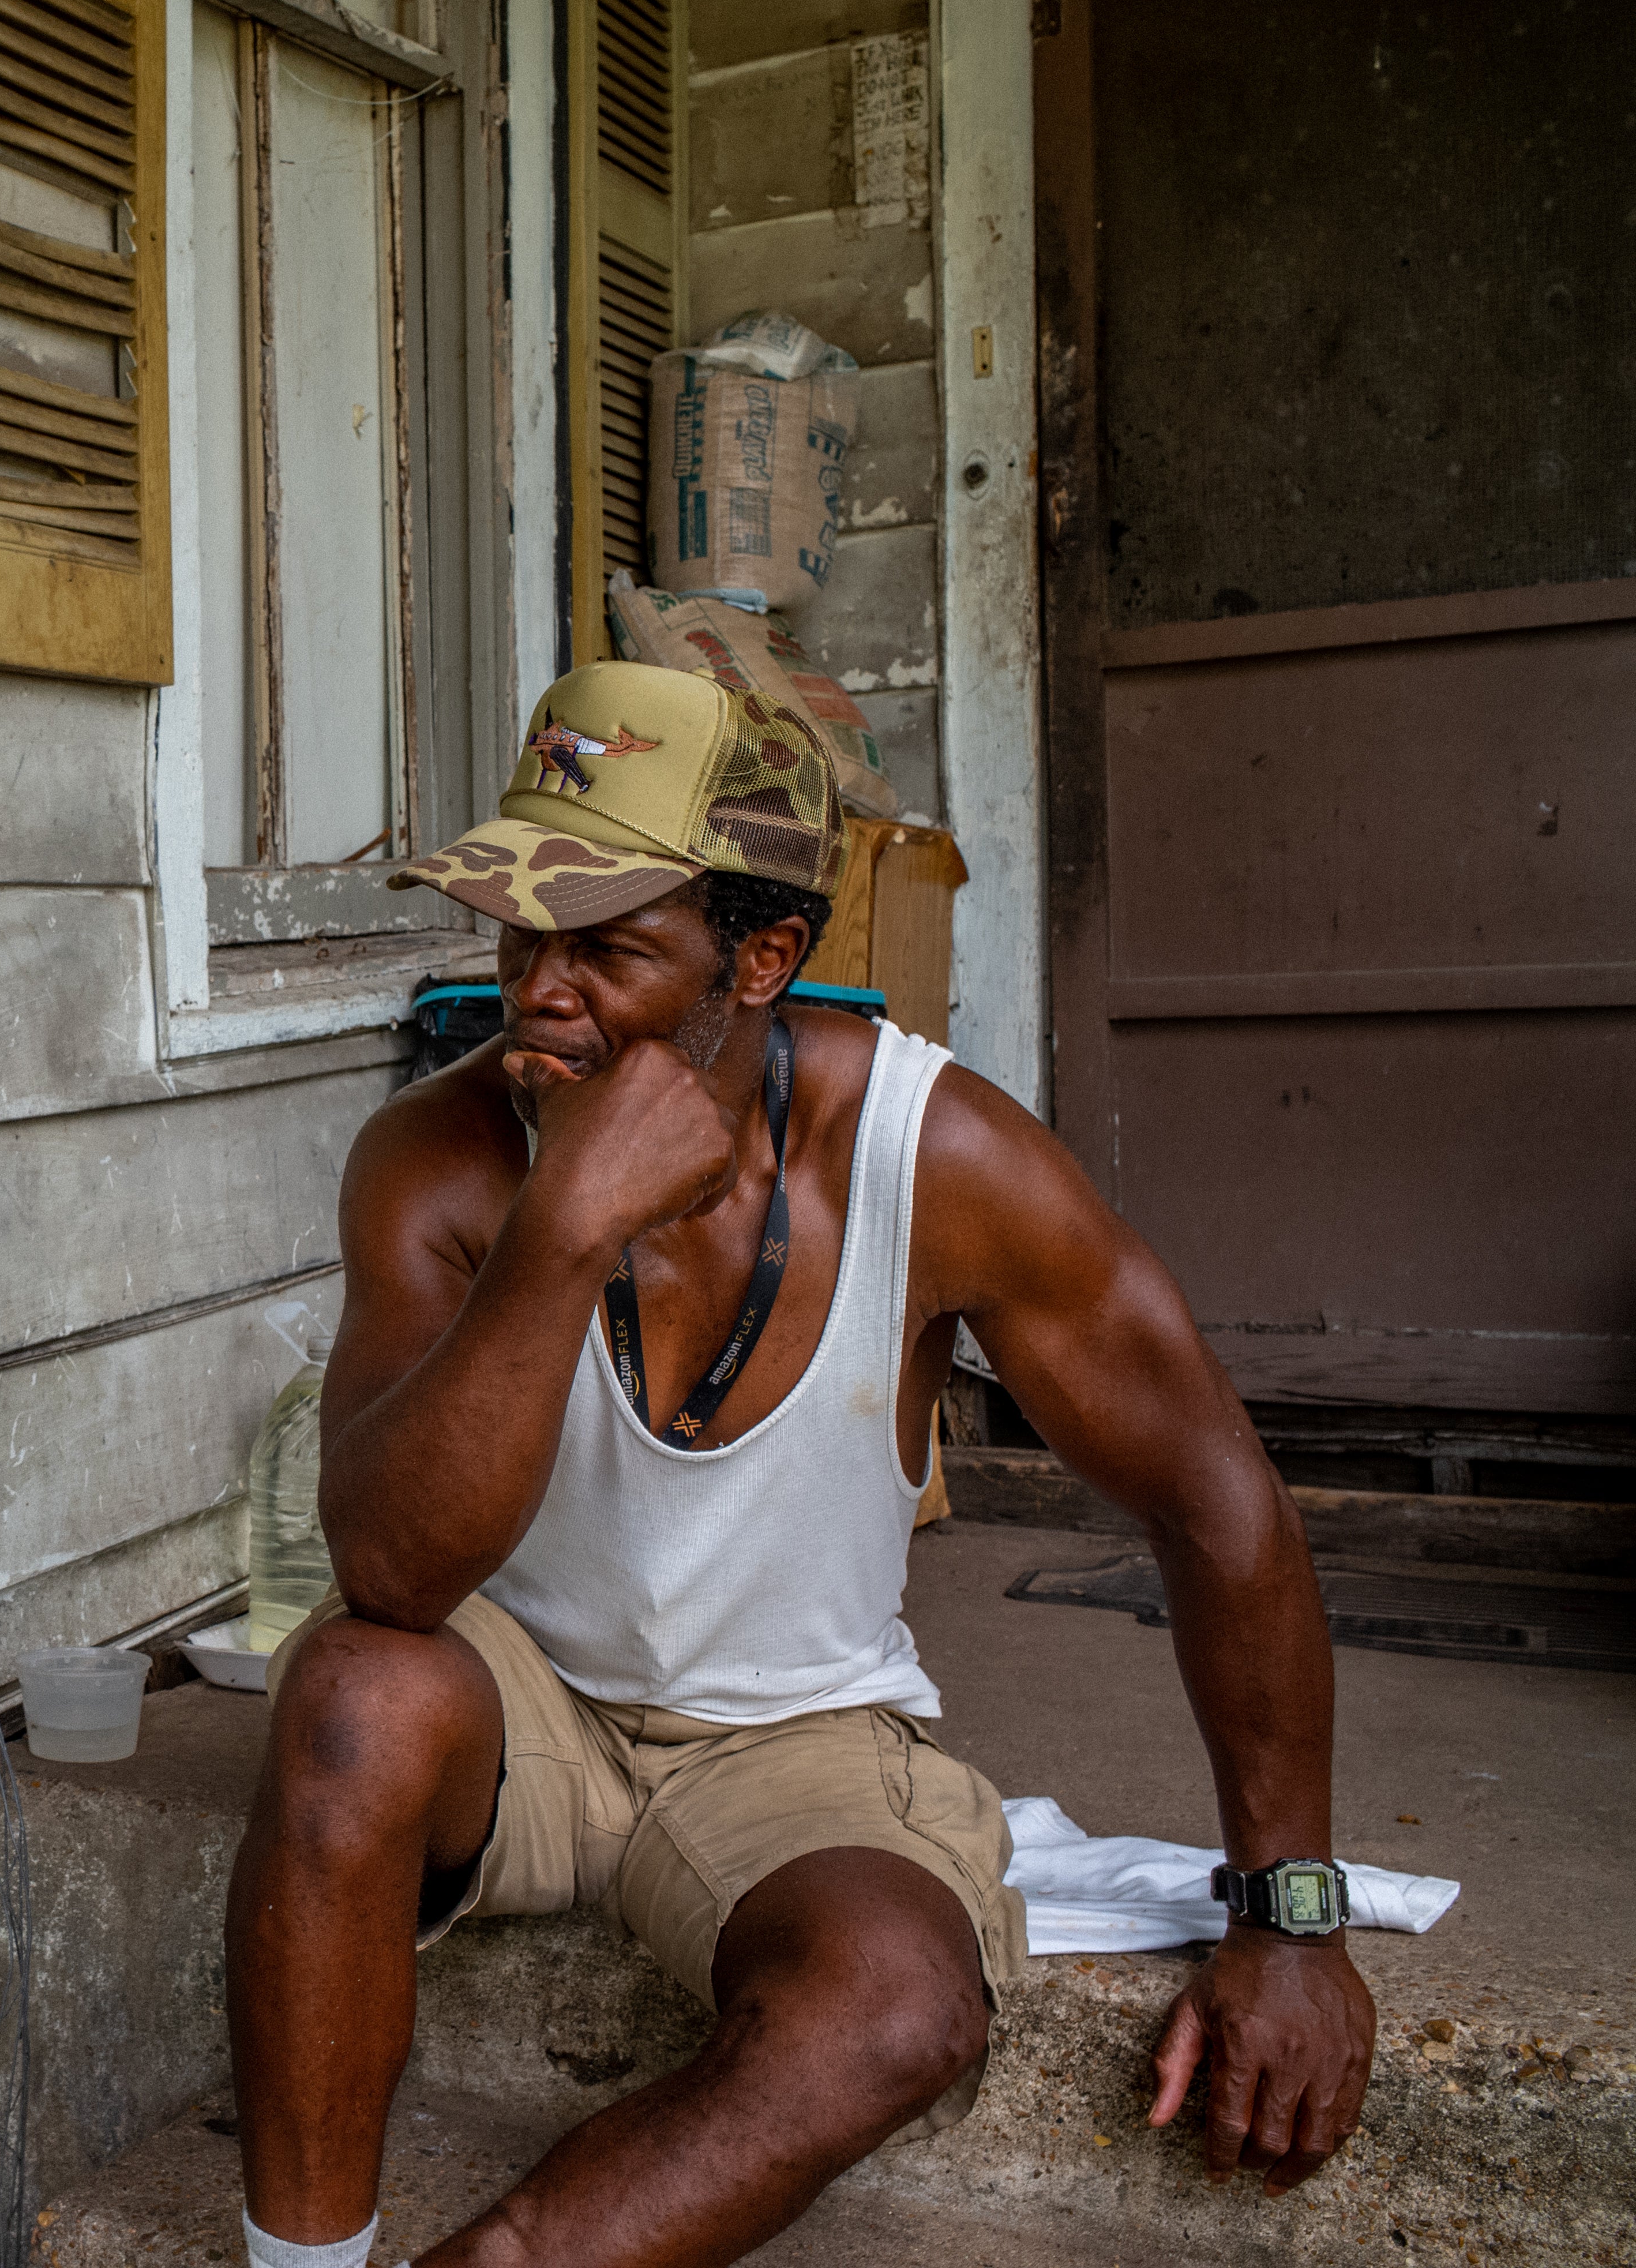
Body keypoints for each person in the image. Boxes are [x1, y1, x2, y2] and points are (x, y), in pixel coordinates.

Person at [226, 661, 1374, 2268]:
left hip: (799, 1738)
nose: (537, 992)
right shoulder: (441, 1158)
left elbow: (1215, 1496)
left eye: (609, 946)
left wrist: (1290, 1914)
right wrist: (559, 1235)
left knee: (900, 2003)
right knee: (348, 1693)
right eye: (517, 932)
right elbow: (397, 1574)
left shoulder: (939, 1158)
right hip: (523, 1705)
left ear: (763, 958)